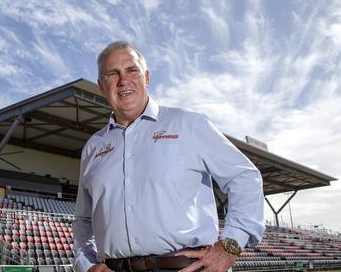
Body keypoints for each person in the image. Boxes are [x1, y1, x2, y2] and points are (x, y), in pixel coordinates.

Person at [73, 41, 265, 272]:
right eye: (112, 74)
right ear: (102, 87)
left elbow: (245, 177)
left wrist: (230, 246)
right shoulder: (93, 147)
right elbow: (83, 220)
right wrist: (87, 265)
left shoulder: (189, 124)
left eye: (131, 70)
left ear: (146, 77)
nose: (123, 81)